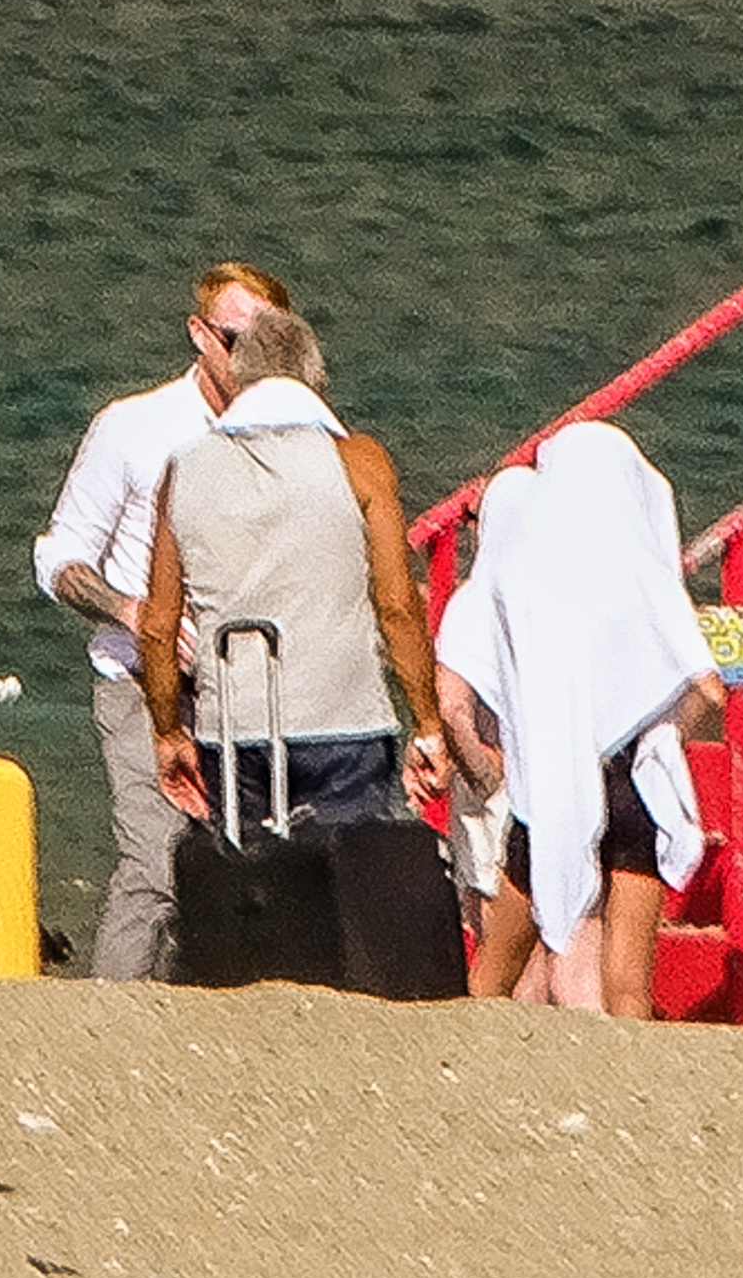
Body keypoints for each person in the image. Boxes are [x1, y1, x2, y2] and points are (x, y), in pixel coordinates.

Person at [31, 257, 295, 981]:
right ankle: (109, 1020)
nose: (251, 362)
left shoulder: (289, 433)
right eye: (236, 341)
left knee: (238, 867)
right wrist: (133, 609)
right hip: (138, 678)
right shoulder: (134, 426)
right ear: (198, 335)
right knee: (155, 864)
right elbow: (58, 558)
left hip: (245, 683)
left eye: (270, 343)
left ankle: (185, 1018)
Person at [134, 306, 451, 874]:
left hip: (233, 724)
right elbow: (398, 607)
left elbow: (158, 622)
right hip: (345, 718)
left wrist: (166, 732)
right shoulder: (360, 462)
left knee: (254, 892)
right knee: (346, 890)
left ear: (241, 376)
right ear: (315, 378)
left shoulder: (184, 468)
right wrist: (427, 723)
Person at [437, 419, 717, 1019]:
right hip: (635, 782)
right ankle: (634, 1095)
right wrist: (663, 733)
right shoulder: (642, 576)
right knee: (628, 983)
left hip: (559, 786)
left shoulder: (540, 581)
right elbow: (709, 689)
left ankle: (465, 1071)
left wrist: (492, 768)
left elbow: (461, 686)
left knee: (494, 970)